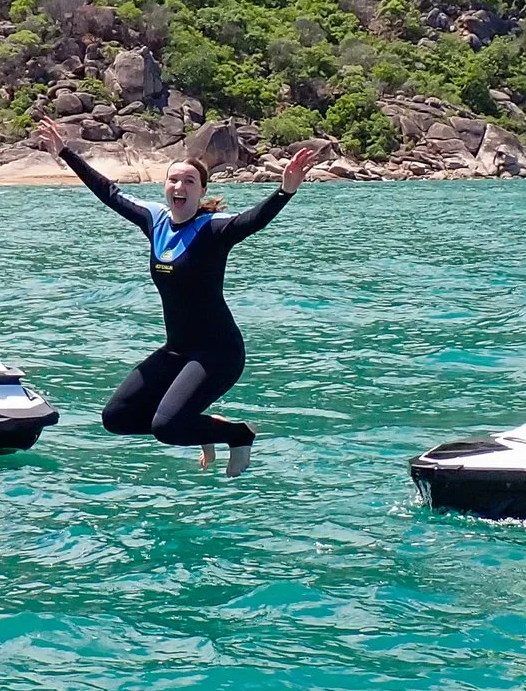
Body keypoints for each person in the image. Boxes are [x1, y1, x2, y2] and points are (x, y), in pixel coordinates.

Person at [36, 118, 317, 475]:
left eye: (189, 181)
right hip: (177, 350)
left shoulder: (214, 229)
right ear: (165, 187)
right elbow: (107, 191)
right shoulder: (155, 221)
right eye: (174, 180)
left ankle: (238, 434)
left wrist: (285, 191)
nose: (179, 186)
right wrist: (64, 152)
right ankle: (199, 425)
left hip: (219, 353)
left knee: (166, 428)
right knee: (117, 418)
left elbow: (253, 220)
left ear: (201, 192)